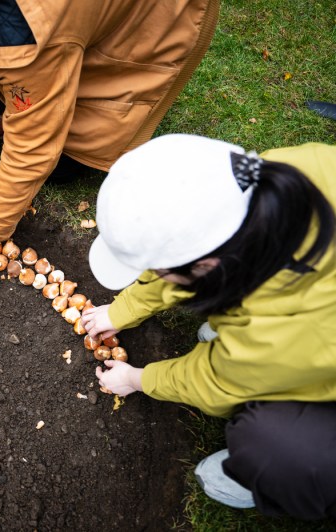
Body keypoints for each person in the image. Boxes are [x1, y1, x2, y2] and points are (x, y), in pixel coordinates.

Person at [81, 134, 336, 519]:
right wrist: (123, 310)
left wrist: (137, 379)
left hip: (307, 347)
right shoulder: (278, 174)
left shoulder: (278, 335)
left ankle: (278, 475)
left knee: (271, 444)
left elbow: (216, 383)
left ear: (207, 266)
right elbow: (186, 256)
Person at [0, 0, 220, 270]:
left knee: (63, 164)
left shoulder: (24, 41)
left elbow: (33, 149)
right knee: (18, 86)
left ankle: (22, 118)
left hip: (158, 17)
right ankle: (9, 117)